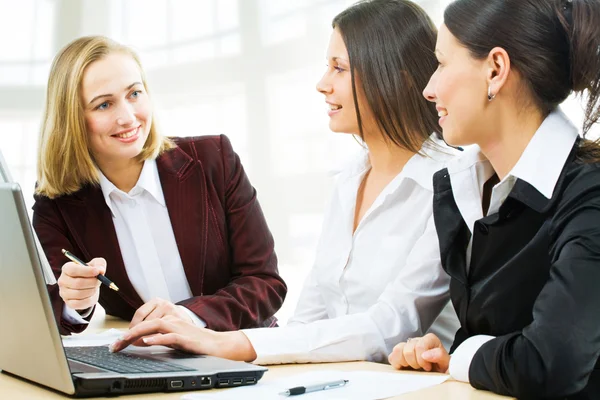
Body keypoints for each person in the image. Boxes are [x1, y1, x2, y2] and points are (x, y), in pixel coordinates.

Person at [110, 0, 460, 365]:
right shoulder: (349, 180)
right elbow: (309, 317)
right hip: (341, 383)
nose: (322, 84)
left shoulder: (448, 185)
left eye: (339, 68)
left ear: (395, 77)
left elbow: (390, 325)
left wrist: (232, 344)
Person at [387, 0, 600, 398]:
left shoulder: (589, 196)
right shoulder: (464, 190)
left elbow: (551, 362)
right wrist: (452, 356)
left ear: (496, 70)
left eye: (442, 63)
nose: (428, 89)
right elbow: (499, 340)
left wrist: (464, 356)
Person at [33, 36, 287, 336]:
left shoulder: (214, 159)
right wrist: (78, 303)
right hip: (149, 361)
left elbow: (264, 283)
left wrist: (188, 317)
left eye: (135, 93)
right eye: (103, 104)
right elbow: (53, 313)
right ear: (72, 119)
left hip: (238, 349)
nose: (128, 117)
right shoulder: (57, 201)